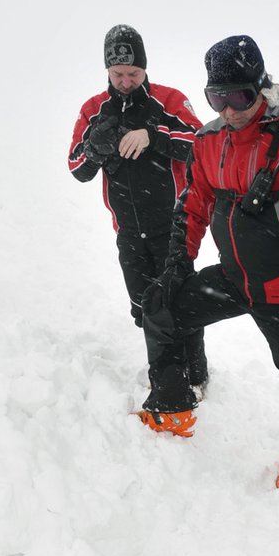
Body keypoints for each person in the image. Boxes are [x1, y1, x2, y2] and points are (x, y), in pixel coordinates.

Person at [136, 35, 279, 488]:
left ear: (260, 88)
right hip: (235, 278)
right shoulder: (210, 139)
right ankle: (173, 408)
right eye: (218, 98)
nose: (229, 110)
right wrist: (178, 263)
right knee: (160, 309)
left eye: (239, 97)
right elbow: (193, 204)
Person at [68, 25, 208, 393]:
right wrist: (96, 145)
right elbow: (77, 168)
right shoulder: (93, 110)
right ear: (107, 71)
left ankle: (195, 377)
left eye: (133, 73)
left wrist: (155, 135)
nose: (126, 81)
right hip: (128, 231)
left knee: (181, 305)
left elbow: (202, 143)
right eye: (118, 74)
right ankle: (165, 380)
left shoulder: (169, 100)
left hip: (174, 226)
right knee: (145, 309)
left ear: (145, 68)